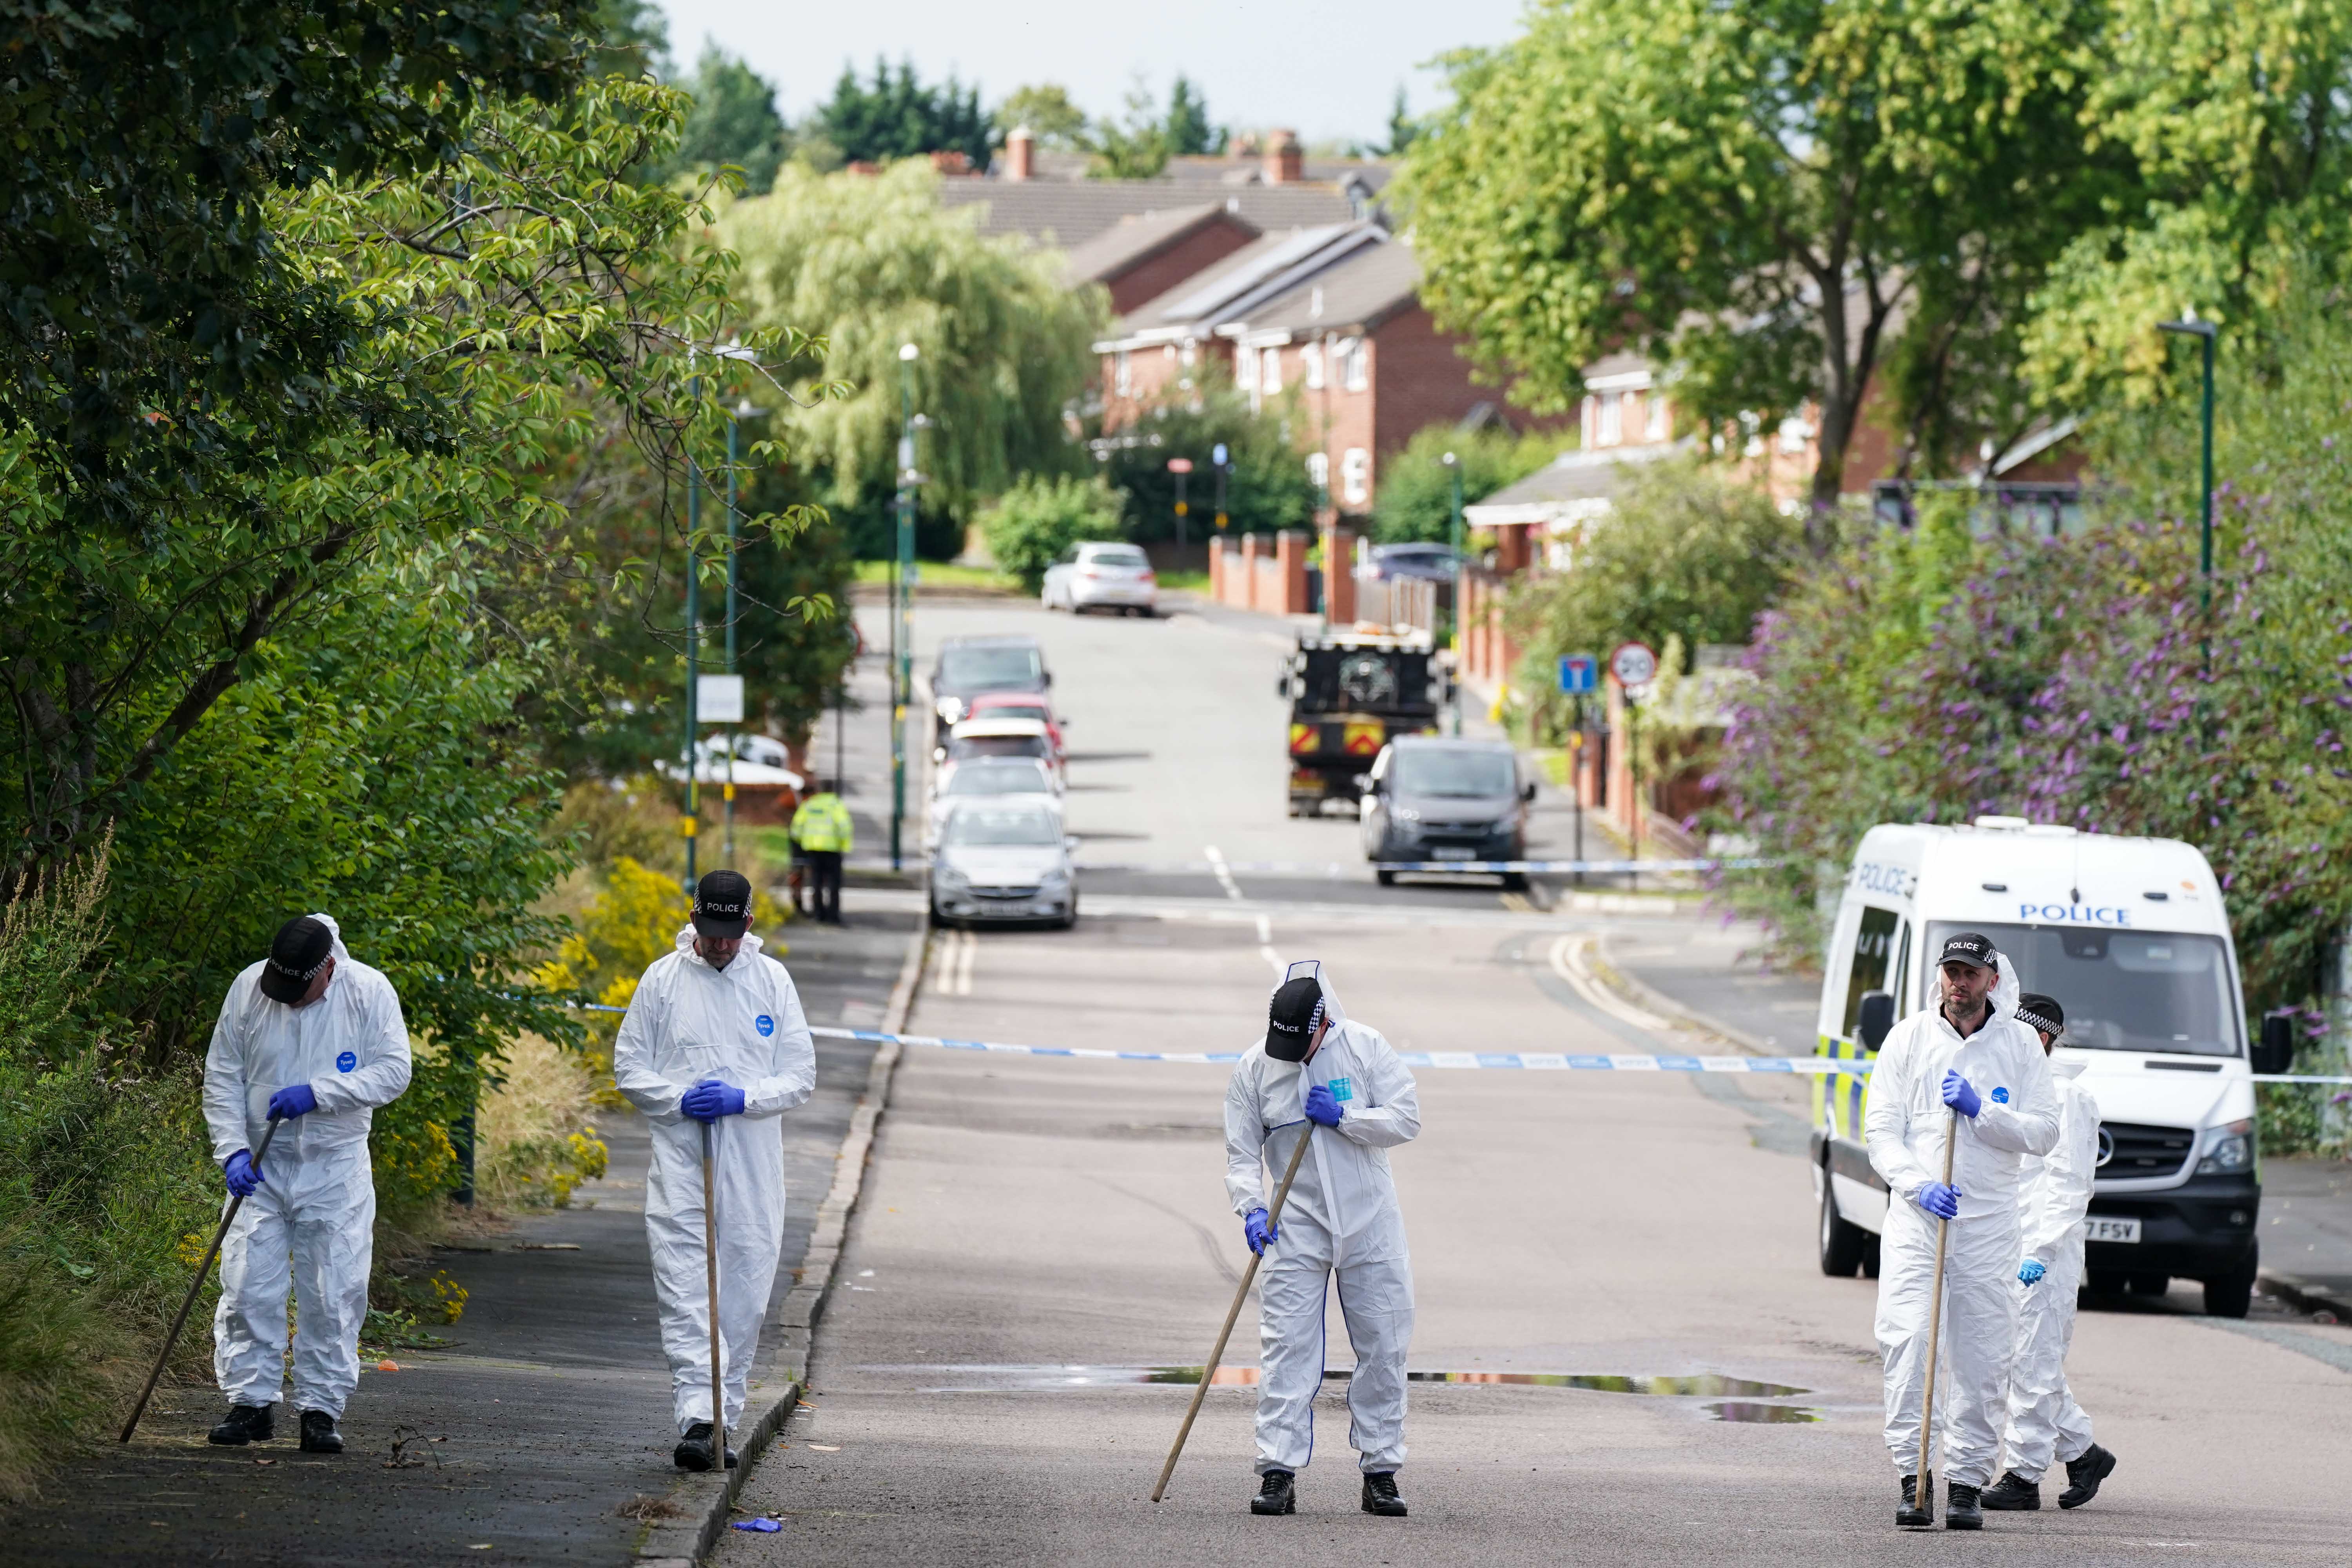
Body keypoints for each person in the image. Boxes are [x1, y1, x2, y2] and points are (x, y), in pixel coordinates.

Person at [613, 869, 816, 1470]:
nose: (720, 944)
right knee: (686, 1291)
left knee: (743, 1298)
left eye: (731, 933)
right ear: (694, 920)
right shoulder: (663, 981)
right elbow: (629, 1068)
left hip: (752, 1168)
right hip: (682, 1164)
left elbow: (799, 1076)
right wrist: (677, 1100)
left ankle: (723, 1421)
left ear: (749, 924)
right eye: (710, 932)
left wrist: (744, 1099)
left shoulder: (773, 982)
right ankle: (699, 1421)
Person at [1865, 931, 2059, 1530]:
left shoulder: (2021, 1046)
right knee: (1909, 1343)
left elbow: (2045, 1133)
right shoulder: (1909, 1039)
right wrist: (1916, 1184)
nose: (1960, 982)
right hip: (1920, 1222)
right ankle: (1912, 1475)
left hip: (1988, 1226)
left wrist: (1985, 1112)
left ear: (1992, 981)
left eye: (1972, 973)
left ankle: (1967, 1482)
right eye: (1952, 971)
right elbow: (1880, 1131)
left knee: (1982, 1354)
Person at [202, 913, 413, 1454]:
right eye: (282, 987)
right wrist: (231, 1152)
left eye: (299, 989)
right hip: (261, 1167)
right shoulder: (251, 988)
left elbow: (394, 1071)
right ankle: (251, 1404)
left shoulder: (368, 992)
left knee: (333, 1290)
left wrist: (321, 1093)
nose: (289, 999)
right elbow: (223, 1073)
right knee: (249, 1284)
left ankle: (320, 1409)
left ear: (328, 968)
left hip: (333, 1166)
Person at [1223, 960, 1420, 1519]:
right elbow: (1241, 1153)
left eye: (1302, 1046)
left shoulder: (1365, 1048)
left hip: (1370, 1222)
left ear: (1324, 1023)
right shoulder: (1255, 1068)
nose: (1293, 1057)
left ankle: (1381, 1471)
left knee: (1384, 1343)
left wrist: (1347, 1117)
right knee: (1287, 1346)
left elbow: (1406, 1119)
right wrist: (1252, 1208)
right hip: (1295, 1224)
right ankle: (1277, 1472)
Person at [1984, 992, 2118, 1512]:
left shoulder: (2067, 1099)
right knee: (2022, 1363)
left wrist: (2038, 1251)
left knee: (2032, 1362)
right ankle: (2084, 1452)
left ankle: (2023, 1476)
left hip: (2048, 1255)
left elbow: (2068, 1186)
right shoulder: (2027, 1091)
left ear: (2040, 1037)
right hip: (2014, 1247)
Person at [789, 778, 853, 926]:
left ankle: (818, 914)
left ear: (819, 790)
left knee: (816, 883)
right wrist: (844, 845)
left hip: (813, 850)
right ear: (833, 790)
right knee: (834, 884)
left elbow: (796, 829)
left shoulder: (809, 805)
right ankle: (833, 916)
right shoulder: (836, 805)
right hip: (832, 850)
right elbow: (845, 827)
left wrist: (803, 842)